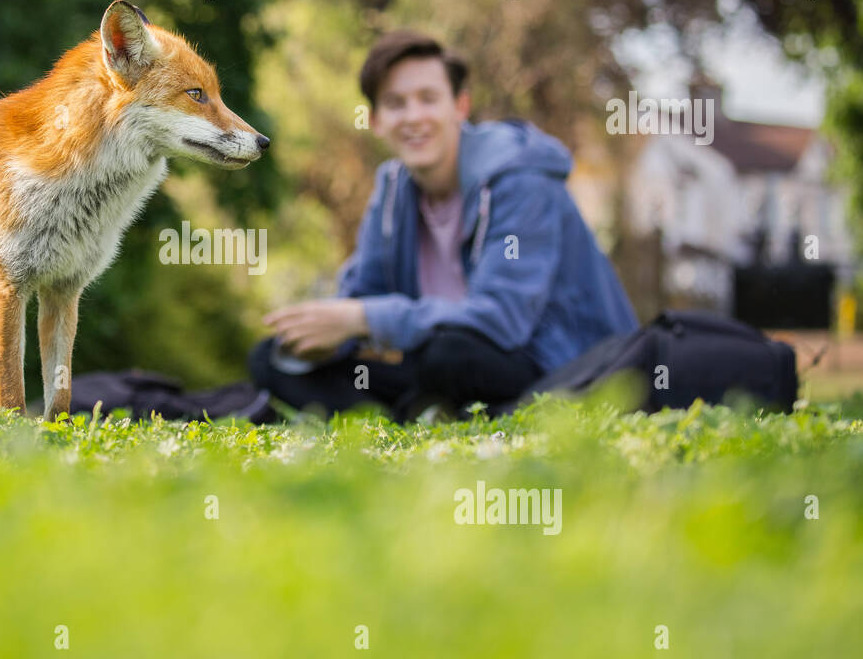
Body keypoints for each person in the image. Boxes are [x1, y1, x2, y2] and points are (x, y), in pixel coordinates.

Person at [250, 29, 639, 420]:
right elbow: (362, 295)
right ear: (376, 121)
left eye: (428, 99)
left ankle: (418, 412)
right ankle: (419, 416)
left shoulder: (520, 178)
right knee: (273, 360)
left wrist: (361, 319)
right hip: (445, 364)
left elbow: (501, 320)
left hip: (555, 364)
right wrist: (326, 336)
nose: (414, 116)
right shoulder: (392, 190)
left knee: (449, 354)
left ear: (460, 106)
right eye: (396, 103)